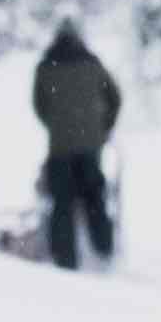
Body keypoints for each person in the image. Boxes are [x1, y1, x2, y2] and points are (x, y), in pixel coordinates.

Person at [31, 19, 122, 268]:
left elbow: (39, 105)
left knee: (62, 202)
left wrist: (55, 125)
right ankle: (105, 252)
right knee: (94, 197)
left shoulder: (46, 66)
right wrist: (104, 127)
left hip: (60, 147)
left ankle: (65, 260)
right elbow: (115, 97)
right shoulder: (92, 63)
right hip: (91, 146)